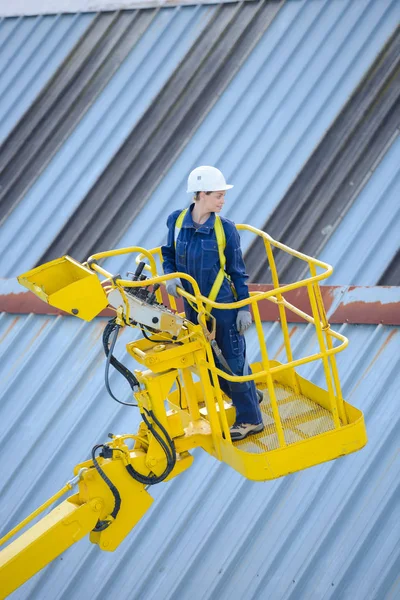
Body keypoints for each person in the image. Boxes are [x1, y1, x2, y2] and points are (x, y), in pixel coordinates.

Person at [161, 165, 264, 441]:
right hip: (194, 306)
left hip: (223, 307)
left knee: (232, 361)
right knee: (209, 361)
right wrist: (169, 276)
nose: (223, 200)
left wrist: (243, 307)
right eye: (218, 195)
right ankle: (249, 396)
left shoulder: (225, 229)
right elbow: (168, 253)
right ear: (201, 195)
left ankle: (250, 419)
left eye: (222, 195)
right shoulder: (177, 220)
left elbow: (238, 272)